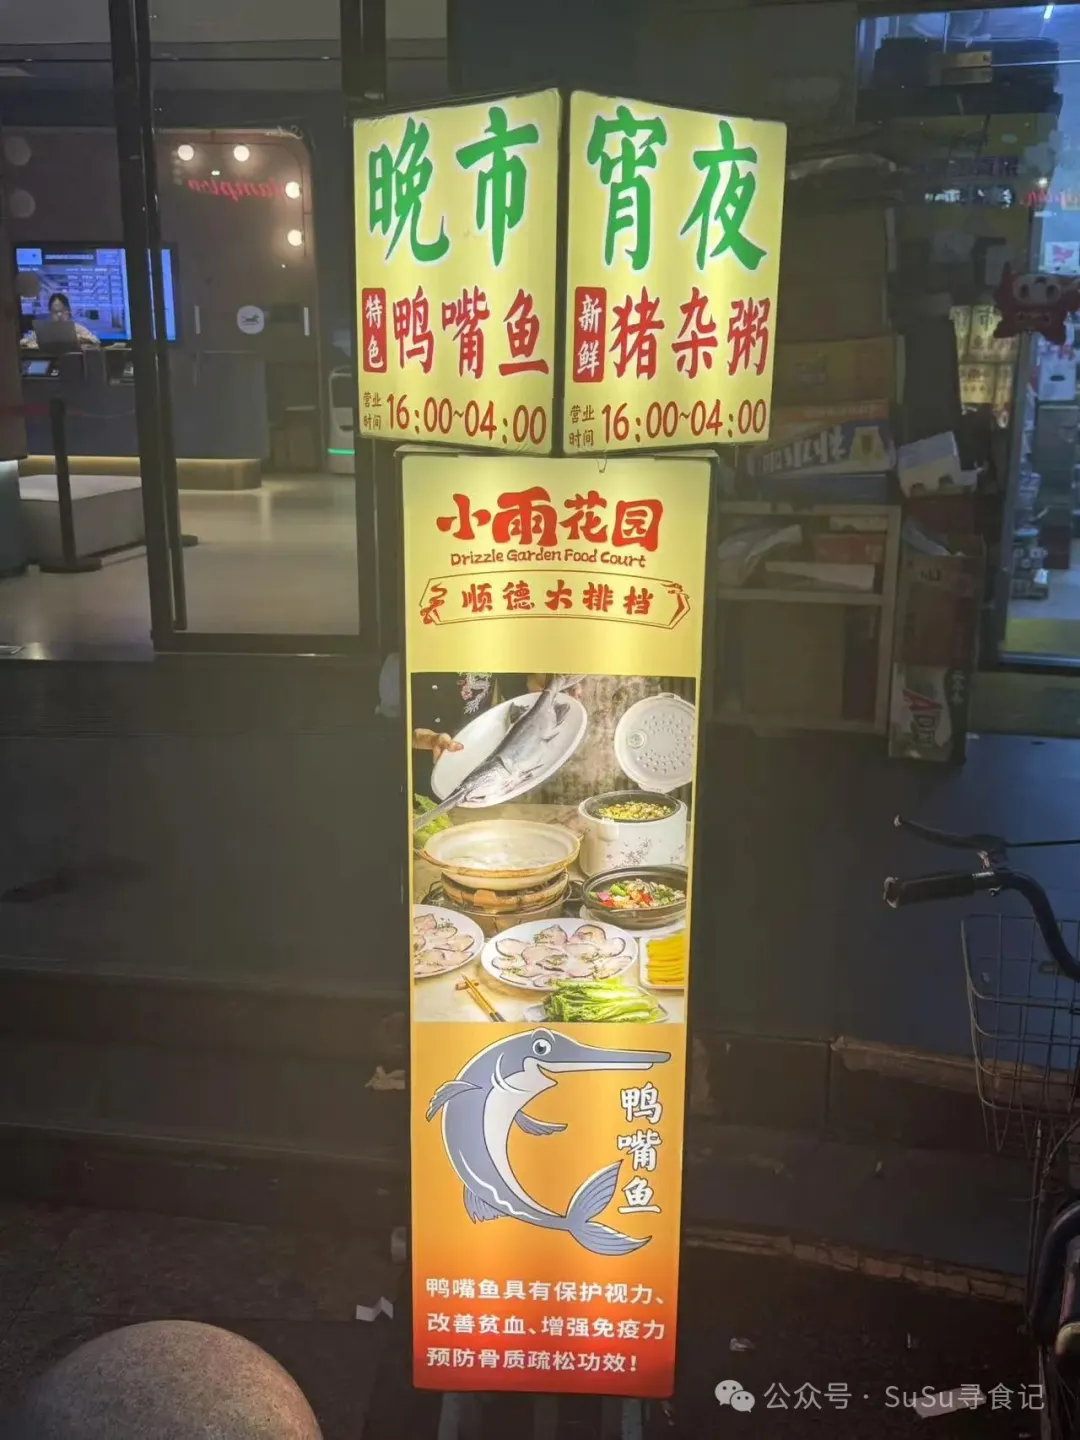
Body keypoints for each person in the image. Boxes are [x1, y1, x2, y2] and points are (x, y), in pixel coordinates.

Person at [21, 292, 100, 349]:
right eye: (55, 312)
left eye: (62, 310)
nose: (59, 315)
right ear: (50, 313)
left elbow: (96, 342)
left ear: (68, 311)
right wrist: (35, 345)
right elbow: (23, 343)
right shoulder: (43, 331)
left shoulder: (76, 328)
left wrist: (80, 339)